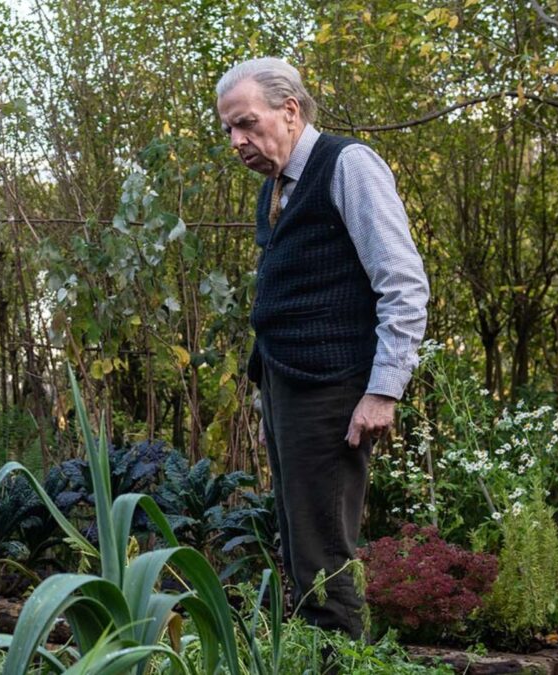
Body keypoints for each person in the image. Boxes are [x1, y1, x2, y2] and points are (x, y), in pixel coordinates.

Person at [216, 58, 429, 640]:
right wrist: (272, 399)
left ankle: (338, 658)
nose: (237, 141)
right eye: (229, 130)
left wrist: (384, 389)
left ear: (290, 111)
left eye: (247, 124)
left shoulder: (348, 165)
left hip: (333, 384)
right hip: (287, 382)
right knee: (298, 539)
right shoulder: (275, 189)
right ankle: (317, 654)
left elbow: (402, 282)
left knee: (324, 547)